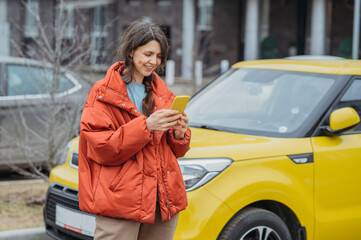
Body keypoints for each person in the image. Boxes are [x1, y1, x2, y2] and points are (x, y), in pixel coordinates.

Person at [78, 20, 191, 240]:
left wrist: (179, 134)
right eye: (148, 54)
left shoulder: (162, 92)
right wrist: (146, 126)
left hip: (162, 199)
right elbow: (102, 147)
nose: (153, 62)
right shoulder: (103, 92)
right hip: (120, 200)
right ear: (131, 51)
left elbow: (175, 152)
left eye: (158, 57)